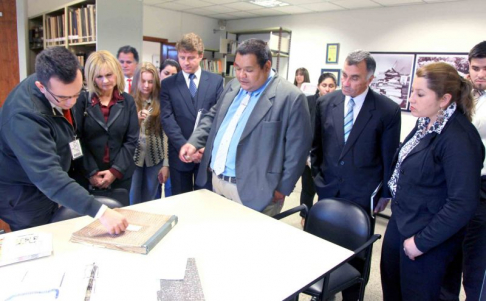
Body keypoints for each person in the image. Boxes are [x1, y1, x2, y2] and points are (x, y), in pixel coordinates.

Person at [380, 62, 484, 301]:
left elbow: (462, 203)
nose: (410, 99)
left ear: (444, 99)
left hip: (429, 238)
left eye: (420, 93)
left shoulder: (459, 138)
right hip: (403, 221)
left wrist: (420, 243)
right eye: (411, 91)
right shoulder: (424, 123)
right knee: (393, 291)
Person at [0, 47, 128, 234]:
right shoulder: (24, 118)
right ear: (41, 87)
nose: (72, 103)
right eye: (64, 98)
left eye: (77, 93)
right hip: (22, 194)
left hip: (46, 186)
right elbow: (48, 176)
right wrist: (101, 212)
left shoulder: (55, 84)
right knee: (41, 239)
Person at [179, 38, 312, 216]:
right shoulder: (234, 85)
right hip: (217, 181)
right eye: (238, 68)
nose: (241, 75)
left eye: (249, 70)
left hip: (257, 190)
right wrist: (194, 142)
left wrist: (282, 188)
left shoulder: (290, 97)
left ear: (266, 66)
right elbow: (213, 116)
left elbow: (298, 149)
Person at [311, 50, 401, 215]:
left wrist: (384, 194)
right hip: (328, 189)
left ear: (370, 79)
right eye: (344, 75)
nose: (345, 83)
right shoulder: (325, 103)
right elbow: (316, 147)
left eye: (354, 78)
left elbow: (389, 158)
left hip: (363, 195)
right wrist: (318, 180)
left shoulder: (387, 110)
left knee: (356, 239)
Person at [441, 41, 486, 301]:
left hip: (481, 188)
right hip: (454, 185)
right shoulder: (463, 94)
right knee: (449, 255)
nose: (481, 74)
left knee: (475, 263)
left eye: (485, 69)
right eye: (475, 68)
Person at [160, 33, 223, 195]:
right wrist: (186, 147)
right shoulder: (168, 84)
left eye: (191, 57)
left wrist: (200, 148)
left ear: (201, 56)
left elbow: (218, 118)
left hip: (205, 153)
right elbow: (167, 119)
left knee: (205, 201)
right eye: (182, 57)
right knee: (181, 202)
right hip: (179, 152)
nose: (186, 62)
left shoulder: (215, 82)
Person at [73, 50, 139, 199]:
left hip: (120, 177)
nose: (105, 81)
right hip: (85, 176)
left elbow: (131, 140)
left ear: (117, 73)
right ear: (91, 78)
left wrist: (115, 171)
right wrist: (91, 172)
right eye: (99, 77)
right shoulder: (81, 101)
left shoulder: (127, 101)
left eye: (109, 75)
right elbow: (76, 140)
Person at [129, 62, 169, 205]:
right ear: (136, 81)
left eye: (150, 82)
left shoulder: (161, 102)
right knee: (132, 198)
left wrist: (166, 164)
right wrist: (135, 119)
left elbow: (165, 135)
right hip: (133, 159)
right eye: (143, 81)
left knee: (151, 200)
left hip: (155, 158)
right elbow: (122, 133)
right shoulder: (128, 101)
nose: (146, 85)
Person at [300, 72, 337, 227]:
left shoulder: (338, 104)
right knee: (308, 189)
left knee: (325, 192)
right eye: (324, 85)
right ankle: (305, 217)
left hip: (328, 158)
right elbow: (303, 130)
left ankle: (322, 219)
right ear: (318, 86)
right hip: (309, 155)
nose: (327, 89)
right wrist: (307, 155)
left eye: (331, 86)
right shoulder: (309, 102)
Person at [155, 59, 182, 198]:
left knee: (172, 193)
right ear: (159, 74)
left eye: (173, 74)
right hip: (154, 154)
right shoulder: (153, 96)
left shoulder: (179, 98)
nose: (169, 77)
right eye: (166, 73)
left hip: (173, 150)